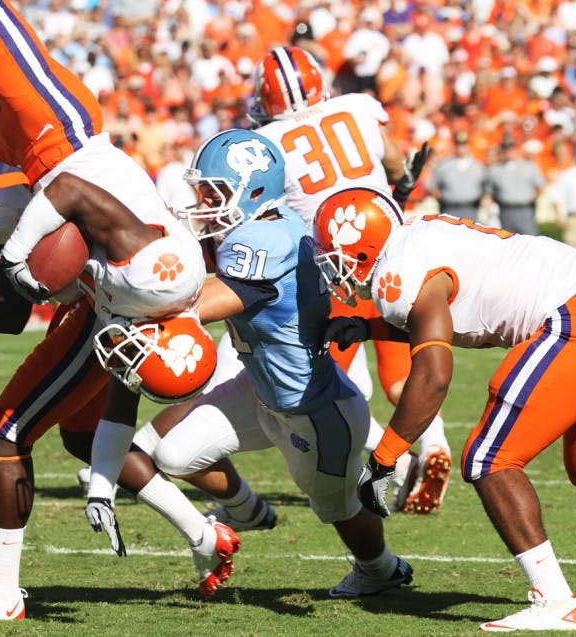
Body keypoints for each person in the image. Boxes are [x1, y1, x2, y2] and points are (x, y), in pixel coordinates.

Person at [0, 0, 226, 620]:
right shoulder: (158, 276)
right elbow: (67, 192)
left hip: (22, 161)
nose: (124, 361)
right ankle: (1, 592)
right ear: (163, 334)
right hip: (55, 134)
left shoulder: (140, 325)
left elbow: (18, 319)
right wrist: (15, 254)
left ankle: (202, 535)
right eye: (136, 357)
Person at [315, 187, 576, 631]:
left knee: (489, 459)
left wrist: (384, 456)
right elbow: (440, 317)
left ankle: (555, 601)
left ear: (359, 247)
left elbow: (432, 375)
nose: (330, 264)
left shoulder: (397, 274)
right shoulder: (417, 234)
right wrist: (371, 328)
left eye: (331, 253)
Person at [157, 128, 414, 597]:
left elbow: (219, 298)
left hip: (312, 407)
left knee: (335, 509)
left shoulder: (261, 237)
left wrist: (148, 303)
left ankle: (381, 569)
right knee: (174, 454)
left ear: (254, 191)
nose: (204, 202)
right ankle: (245, 509)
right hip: (263, 388)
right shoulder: (273, 225)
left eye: (213, 191)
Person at [246, 45, 451, 514]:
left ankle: (395, 463)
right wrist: (397, 188)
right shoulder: (356, 109)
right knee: (401, 369)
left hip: (331, 267)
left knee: (333, 376)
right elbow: (400, 169)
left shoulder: (270, 142)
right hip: (393, 248)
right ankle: (433, 445)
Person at [485, 133, 546, 235]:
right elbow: (490, 193)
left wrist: (530, 199)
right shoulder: (495, 170)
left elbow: (540, 187)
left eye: (511, 148)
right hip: (506, 210)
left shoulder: (528, 166)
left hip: (525, 209)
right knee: (507, 241)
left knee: (529, 239)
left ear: (516, 149)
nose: (509, 152)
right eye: (505, 149)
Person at [429, 130, 487, 222]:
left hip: (471, 208)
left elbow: (486, 186)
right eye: (458, 145)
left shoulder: (478, 166)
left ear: (468, 145)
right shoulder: (444, 166)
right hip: (449, 208)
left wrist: (485, 198)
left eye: (464, 145)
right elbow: (432, 185)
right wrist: (441, 198)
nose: (461, 148)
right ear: (454, 146)